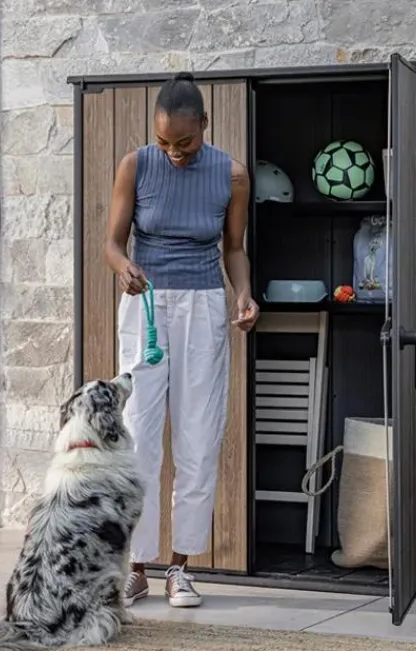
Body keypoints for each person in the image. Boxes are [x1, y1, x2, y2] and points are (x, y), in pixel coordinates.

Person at [103, 71, 259, 609]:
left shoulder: (232, 175)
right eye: (165, 140)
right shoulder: (136, 164)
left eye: (185, 142)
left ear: (205, 127)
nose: (173, 152)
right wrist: (123, 267)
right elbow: (112, 242)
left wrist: (244, 294)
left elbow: (233, 248)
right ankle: (137, 567)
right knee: (139, 435)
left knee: (198, 435)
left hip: (202, 306)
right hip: (145, 305)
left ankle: (181, 568)